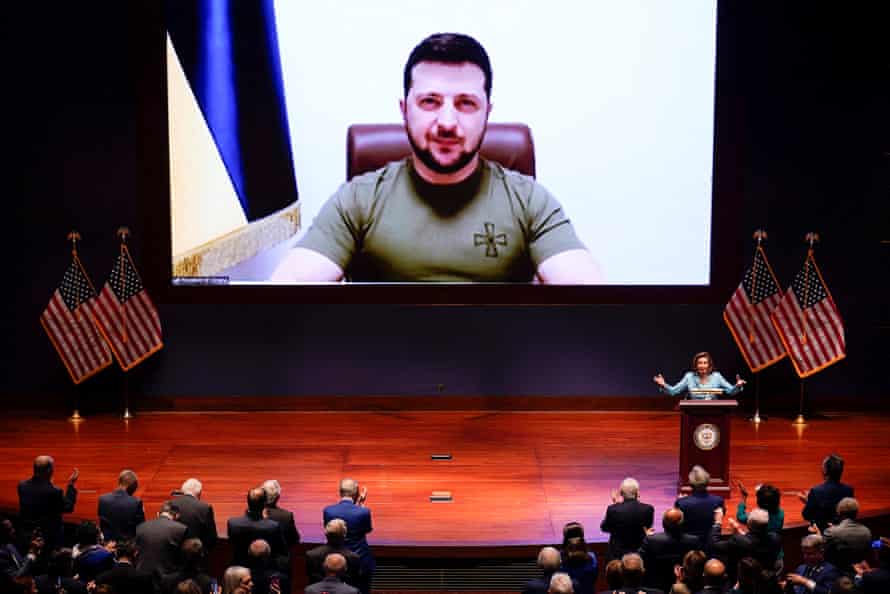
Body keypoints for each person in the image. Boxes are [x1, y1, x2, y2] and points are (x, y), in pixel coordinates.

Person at [270, 32, 602, 284]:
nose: (447, 122)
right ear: (404, 110)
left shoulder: (529, 201)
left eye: (466, 103)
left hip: (497, 372)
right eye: (430, 101)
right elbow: (285, 295)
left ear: (487, 112)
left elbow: (593, 301)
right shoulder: (358, 200)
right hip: (383, 371)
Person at [323, 479, 374, 594]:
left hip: (334, 560)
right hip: (359, 560)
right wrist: (360, 506)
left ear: (340, 493)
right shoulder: (364, 512)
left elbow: (332, 530)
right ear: (356, 494)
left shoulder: (328, 511)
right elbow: (367, 529)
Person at [17, 455, 78, 549]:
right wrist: (71, 485)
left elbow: (38, 498)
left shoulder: (22, 486)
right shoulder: (54, 491)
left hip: (27, 534)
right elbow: (68, 507)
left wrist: (49, 484)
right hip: (49, 538)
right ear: (49, 470)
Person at [638, 508, 699, 593]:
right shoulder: (693, 541)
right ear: (682, 524)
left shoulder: (651, 540)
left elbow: (640, 560)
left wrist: (649, 537)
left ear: (663, 523)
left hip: (655, 585)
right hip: (685, 586)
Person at [227, 488, 288, 568]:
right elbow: (282, 552)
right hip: (265, 569)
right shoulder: (273, 526)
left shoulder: (233, 523)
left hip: (240, 568)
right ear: (264, 505)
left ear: (248, 502)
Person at [600, 477, 655, 561]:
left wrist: (615, 505)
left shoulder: (613, 509)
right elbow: (646, 529)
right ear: (637, 493)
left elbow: (605, 528)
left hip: (617, 556)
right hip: (639, 555)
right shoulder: (648, 509)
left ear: (621, 493)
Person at [653, 352, 745, 399]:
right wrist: (663, 384)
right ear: (696, 365)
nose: (702, 365)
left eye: (705, 363)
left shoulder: (717, 377)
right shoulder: (689, 377)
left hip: (713, 412)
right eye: (700, 363)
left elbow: (730, 391)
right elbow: (674, 391)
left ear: (709, 365)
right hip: (693, 412)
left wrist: (737, 385)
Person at [800, 454, 854, 533]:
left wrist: (809, 501)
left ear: (825, 471)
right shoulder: (849, 490)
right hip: (844, 532)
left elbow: (806, 515)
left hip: (822, 534)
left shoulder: (816, 491)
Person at [674, 466, 725, 546]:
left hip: (687, 544)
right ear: (707, 483)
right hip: (710, 542)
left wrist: (682, 501)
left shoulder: (681, 503)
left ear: (690, 484)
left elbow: (676, 523)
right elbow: (719, 517)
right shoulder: (718, 501)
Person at [306, 519, 362, 588]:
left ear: (326, 534)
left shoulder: (311, 555)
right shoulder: (353, 558)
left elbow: (313, 581)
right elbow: (355, 583)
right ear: (344, 535)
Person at [822, 497, 872, 573]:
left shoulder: (831, 532)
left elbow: (821, 548)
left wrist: (818, 532)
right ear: (856, 513)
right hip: (860, 572)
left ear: (839, 512)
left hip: (837, 573)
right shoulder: (866, 530)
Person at [170, 478, 219, 552]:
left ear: (183, 491)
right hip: (195, 553)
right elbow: (212, 537)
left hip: (173, 551)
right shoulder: (205, 508)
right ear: (199, 493)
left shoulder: (169, 504)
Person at [98, 469, 146, 542]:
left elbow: (103, 525)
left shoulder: (102, 499)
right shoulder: (136, 502)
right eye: (135, 486)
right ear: (132, 485)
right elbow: (141, 528)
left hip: (108, 544)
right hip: (127, 547)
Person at [262, 480, 300, 547]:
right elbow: (295, 539)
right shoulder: (287, 516)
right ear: (278, 497)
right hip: (280, 556)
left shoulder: (253, 514)